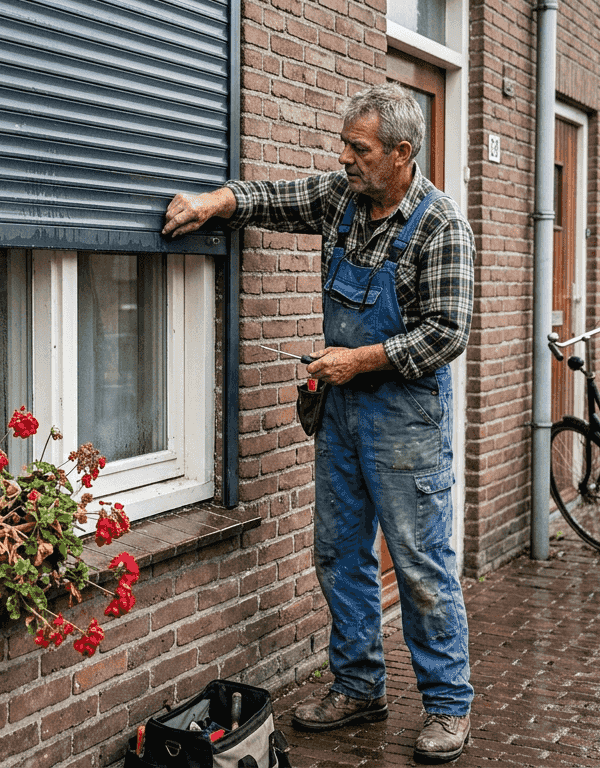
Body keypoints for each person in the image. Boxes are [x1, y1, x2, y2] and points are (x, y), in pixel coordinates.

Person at [162, 83, 475, 764]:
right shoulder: (341, 199)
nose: (344, 160)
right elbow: (273, 200)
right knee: (338, 555)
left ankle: (449, 707)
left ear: (401, 152)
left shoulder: (440, 227)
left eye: (357, 150)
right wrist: (216, 202)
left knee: (421, 566)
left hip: (405, 420)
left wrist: (359, 359)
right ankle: (359, 685)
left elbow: (447, 334)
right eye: (343, 146)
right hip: (340, 414)